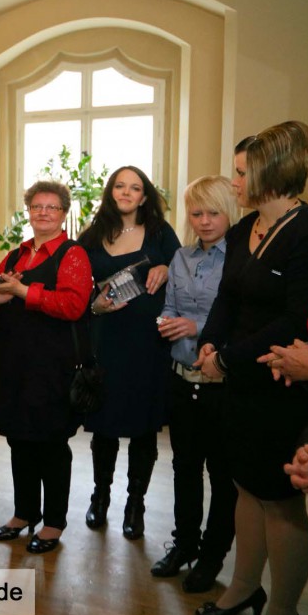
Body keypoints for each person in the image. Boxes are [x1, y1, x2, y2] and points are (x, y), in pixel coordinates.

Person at [194, 121, 308, 615]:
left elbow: (294, 319)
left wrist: (227, 357)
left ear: (272, 173)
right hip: (238, 379)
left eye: (243, 173)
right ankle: (243, 588)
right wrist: (209, 345)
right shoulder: (246, 229)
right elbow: (227, 298)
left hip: (281, 383)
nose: (235, 181)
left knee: (280, 502)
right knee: (244, 486)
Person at [0, 181, 93, 553]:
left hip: (52, 366)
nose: (43, 212)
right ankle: (24, 513)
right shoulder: (15, 255)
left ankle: (54, 522)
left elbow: (73, 306)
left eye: (52, 207)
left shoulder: (74, 255)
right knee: (19, 439)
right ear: (28, 211)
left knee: (51, 444)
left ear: (64, 214)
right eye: (37, 206)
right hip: (14, 363)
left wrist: (23, 293)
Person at [79, 166, 180, 540]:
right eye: (120, 186)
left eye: (134, 187)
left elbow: (182, 270)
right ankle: (100, 497)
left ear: (144, 196)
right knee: (103, 426)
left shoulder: (159, 233)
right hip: (106, 341)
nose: (126, 192)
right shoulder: (91, 236)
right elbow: (78, 289)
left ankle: (135, 502)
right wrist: (95, 304)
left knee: (143, 427)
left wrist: (167, 269)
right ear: (111, 192)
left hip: (147, 344)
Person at [149, 176, 238, 593]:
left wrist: (197, 326)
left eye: (213, 213)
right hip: (182, 379)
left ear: (229, 212)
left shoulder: (241, 259)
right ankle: (185, 544)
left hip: (223, 385)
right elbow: (169, 307)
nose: (204, 221)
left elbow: (241, 323)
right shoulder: (181, 258)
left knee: (222, 477)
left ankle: (212, 558)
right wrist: (165, 323)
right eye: (196, 213)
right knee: (184, 469)